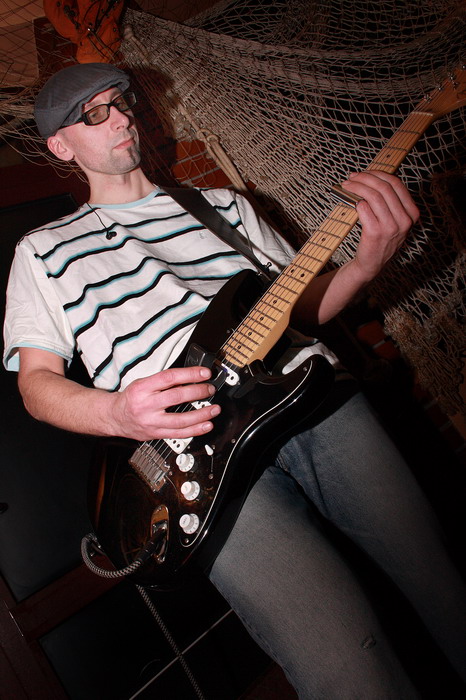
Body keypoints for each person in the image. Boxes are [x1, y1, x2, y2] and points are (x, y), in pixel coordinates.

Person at [3, 63, 466, 698]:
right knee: (345, 660)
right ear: (61, 145)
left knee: (441, 584)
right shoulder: (41, 251)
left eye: (121, 101)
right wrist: (117, 414)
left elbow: (299, 309)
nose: (120, 117)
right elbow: (36, 384)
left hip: (312, 401)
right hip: (194, 461)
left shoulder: (224, 206)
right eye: (94, 114)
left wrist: (364, 266)